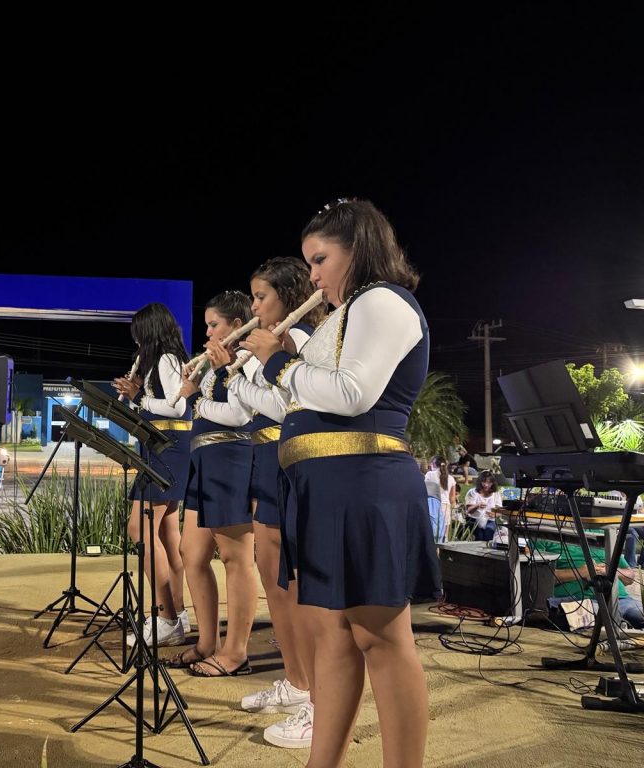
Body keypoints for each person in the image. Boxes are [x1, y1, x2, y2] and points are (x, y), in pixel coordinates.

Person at [242, 198, 440, 764]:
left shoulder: (383, 301)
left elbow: (353, 394)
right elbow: (304, 402)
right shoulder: (341, 318)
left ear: (360, 251)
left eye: (321, 259)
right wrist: (283, 359)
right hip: (327, 488)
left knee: (382, 638)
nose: (313, 275)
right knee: (332, 639)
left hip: (363, 483)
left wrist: (280, 363)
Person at [215, 257, 324, 740]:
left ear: (287, 294)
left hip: (288, 461)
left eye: (261, 297)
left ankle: (316, 692)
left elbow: (285, 405)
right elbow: (242, 407)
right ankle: (297, 681)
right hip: (265, 462)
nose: (255, 306)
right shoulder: (269, 345)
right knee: (271, 578)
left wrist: (252, 369)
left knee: (293, 585)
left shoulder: (295, 340)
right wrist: (230, 374)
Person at [166, 290, 258, 678]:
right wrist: (196, 385)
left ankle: (236, 652)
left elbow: (240, 414)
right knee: (193, 553)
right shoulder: (214, 364)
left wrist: (198, 399)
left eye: (214, 325)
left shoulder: (248, 359)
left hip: (232, 459)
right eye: (206, 325)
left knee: (237, 559)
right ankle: (207, 642)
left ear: (236, 326)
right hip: (203, 460)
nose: (208, 333)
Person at [113, 302, 191, 648]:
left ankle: (165, 616)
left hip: (168, 448)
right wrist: (134, 396)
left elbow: (177, 406)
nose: (135, 340)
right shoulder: (158, 361)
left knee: (139, 527)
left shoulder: (167, 360)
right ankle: (178, 613)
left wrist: (139, 397)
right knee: (166, 531)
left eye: (138, 333)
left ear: (149, 331)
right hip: (162, 447)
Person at [534, 537, 644, 630]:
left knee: (639, 615)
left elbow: (630, 577)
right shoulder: (546, 535)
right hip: (576, 601)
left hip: (620, 600)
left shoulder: (602, 534)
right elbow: (536, 576)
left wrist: (609, 572)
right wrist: (580, 572)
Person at [425, 456, 458, 540]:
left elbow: (424, 490)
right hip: (446, 507)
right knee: (444, 537)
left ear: (433, 464)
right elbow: (452, 499)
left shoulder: (430, 474)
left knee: (432, 535)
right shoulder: (451, 478)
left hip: (433, 506)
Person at [465, 470, 502, 542]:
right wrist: (477, 505)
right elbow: (469, 511)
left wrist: (494, 514)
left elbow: (500, 511)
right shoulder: (473, 492)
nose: (486, 485)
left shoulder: (496, 494)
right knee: (479, 536)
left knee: (488, 533)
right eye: (484, 482)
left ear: (492, 483)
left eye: (489, 483)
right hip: (474, 519)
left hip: (489, 520)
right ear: (480, 482)